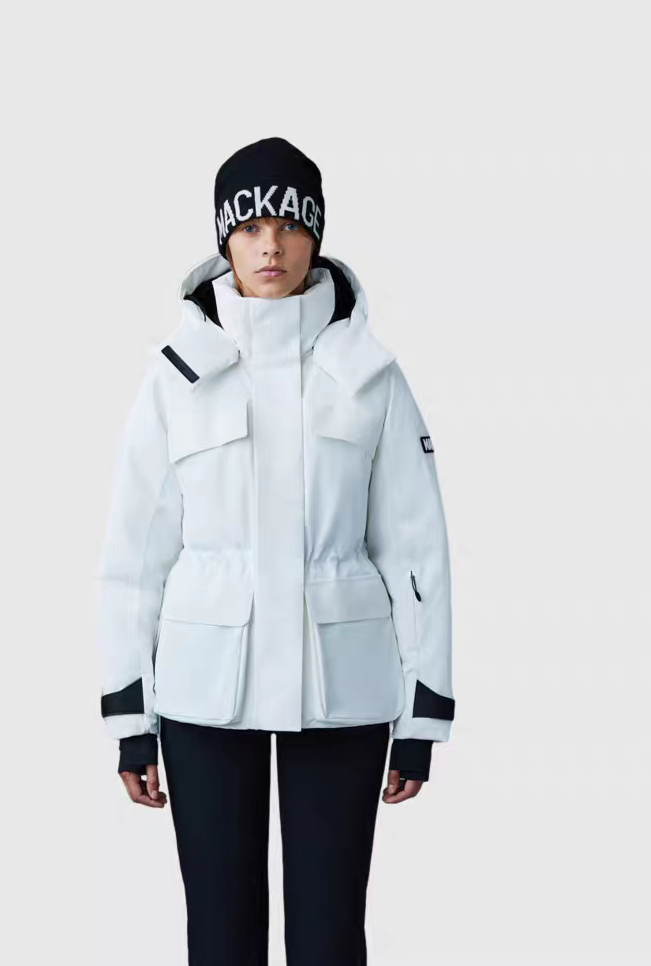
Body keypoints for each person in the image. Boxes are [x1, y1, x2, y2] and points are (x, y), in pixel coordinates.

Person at [95, 136, 455, 965]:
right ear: (223, 239)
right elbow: (133, 558)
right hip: (204, 689)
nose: (271, 245)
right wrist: (130, 719)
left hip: (343, 687)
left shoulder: (370, 376)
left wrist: (422, 715)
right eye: (251, 226)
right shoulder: (177, 376)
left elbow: (417, 552)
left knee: (330, 936)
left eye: (290, 226)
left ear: (315, 238)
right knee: (220, 936)